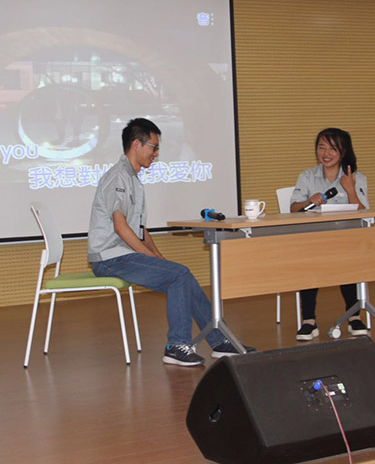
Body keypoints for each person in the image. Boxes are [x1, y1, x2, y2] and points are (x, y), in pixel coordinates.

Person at [87, 117, 252, 366]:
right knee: (179, 275)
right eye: (153, 147)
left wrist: (158, 257)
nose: (156, 153)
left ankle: (220, 342)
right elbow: (121, 228)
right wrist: (148, 256)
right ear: (136, 144)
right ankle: (177, 346)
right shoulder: (118, 177)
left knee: (182, 274)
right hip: (110, 259)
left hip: (122, 256)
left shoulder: (132, 178)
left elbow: (139, 229)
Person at [290, 127, 369, 341]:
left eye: (332, 149)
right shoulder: (307, 176)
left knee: (349, 258)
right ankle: (309, 321)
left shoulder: (356, 177)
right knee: (308, 260)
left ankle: (354, 316)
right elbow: (293, 209)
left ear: (343, 152)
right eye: (321, 147)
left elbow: (364, 213)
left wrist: (350, 189)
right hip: (313, 238)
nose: (326, 153)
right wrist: (309, 201)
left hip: (345, 239)